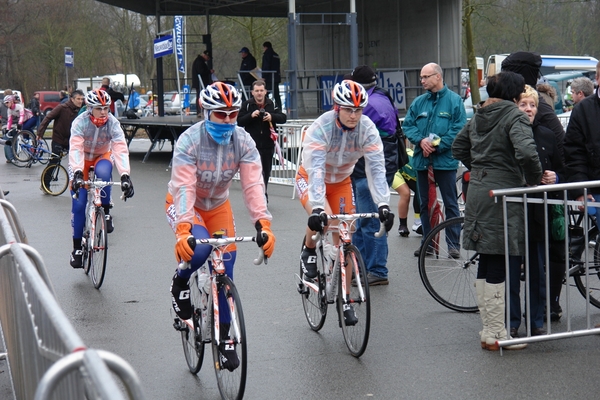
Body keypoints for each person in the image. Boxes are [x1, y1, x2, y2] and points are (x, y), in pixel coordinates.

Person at [167, 82, 275, 370]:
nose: (228, 121)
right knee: (198, 251)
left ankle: (226, 338)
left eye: (232, 114)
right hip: (184, 203)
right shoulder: (189, 141)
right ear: (206, 112)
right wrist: (183, 229)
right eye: (220, 115)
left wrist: (263, 223)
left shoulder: (243, 140)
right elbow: (184, 188)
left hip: (218, 206)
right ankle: (179, 284)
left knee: (226, 265)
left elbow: (253, 184)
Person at [452, 71, 543, 351]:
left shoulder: (479, 115)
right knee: (499, 260)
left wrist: (480, 169)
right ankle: (497, 333)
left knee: (487, 259)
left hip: (478, 191)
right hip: (503, 193)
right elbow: (527, 154)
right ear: (515, 95)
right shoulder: (513, 116)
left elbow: (458, 147)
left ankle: (489, 331)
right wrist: (532, 179)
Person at [296, 80, 394, 322]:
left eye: (359, 110)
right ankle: (308, 251)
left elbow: (377, 169)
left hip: (341, 181)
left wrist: (383, 204)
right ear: (336, 107)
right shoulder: (321, 127)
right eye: (349, 109)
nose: (354, 115)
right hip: (311, 176)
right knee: (326, 219)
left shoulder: (367, 129)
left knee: (346, 236)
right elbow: (316, 171)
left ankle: (346, 298)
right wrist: (318, 207)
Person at [509, 85, 565, 337]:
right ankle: (511, 321)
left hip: (539, 213)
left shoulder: (546, 135)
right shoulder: (506, 133)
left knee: (536, 269)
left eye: (533, 105)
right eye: (524, 104)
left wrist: (556, 177)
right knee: (511, 269)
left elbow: (562, 167)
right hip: (512, 211)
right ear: (515, 107)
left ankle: (536, 320)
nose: (529, 109)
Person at [402, 63, 466, 258]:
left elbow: (458, 129)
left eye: (426, 77)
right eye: (421, 77)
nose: (422, 81)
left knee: (450, 203)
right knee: (424, 203)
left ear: (438, 77)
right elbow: (408, 125)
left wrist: (437, 145)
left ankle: (453, 244)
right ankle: (428, 244)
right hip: (422, 161)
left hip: (444, 161)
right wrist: (421, 141)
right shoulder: (419, 102)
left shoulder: (455, 101)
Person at [69, 89, 135, 268]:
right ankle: (77, 248)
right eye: (99, 108)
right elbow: (75, 147)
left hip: (102, 156)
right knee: (79, 204)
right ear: (90, 108)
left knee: (105, 174)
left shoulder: (112, 123)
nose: (104, 112)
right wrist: (76, 172)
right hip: (81, 159)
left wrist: (125, 175)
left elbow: (120, 148)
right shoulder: (80, 122)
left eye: (106, 108)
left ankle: (105, 212)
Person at [348, 65, 398, 285]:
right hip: (373, 166)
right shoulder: (381, 98)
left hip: (368, 169)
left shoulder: (367, 106)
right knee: (364, 219)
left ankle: (376, 269)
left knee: (369, 220)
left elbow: (349, 133)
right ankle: (361, 266)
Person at [237, 80, 287, 200]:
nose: (259, 93)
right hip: (251, 145)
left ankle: (263, 193)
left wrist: (271, 116)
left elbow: (283, 118)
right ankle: (257, 194)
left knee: (266, 170)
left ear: (265, 92)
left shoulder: (271, 104)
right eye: (257, 91)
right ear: (252, 92)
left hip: (267, 144)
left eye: (261, 91)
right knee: (254, 172)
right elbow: (239, 121)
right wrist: (251, 116)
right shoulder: (247, 105)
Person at [37, 90, 85, 190]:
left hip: (70, 140)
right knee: (54, 161)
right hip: (58, 139)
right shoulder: (62, 108)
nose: (80, 101)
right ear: (72, 99)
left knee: (78, 160)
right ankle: (45, 184)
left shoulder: (81, 110)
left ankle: (80, 182)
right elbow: (48, 118)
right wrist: (40, 133)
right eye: (78, 99)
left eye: (82, 99)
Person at [391, 148, 421, 237]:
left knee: (421, 192)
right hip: (396, 168)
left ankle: (419, 222)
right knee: (405, 193)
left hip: (411, 174)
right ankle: (402, 225)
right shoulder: (417, 163)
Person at [261, 41, 282, 111]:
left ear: (265, 47)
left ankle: (266, 109)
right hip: (276, 78)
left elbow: (266, 66)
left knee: (265, 94)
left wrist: (263, 76)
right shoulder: (276, 55)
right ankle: (279, 109)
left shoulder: (267, 55)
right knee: (276, 95)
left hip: (269, 78)